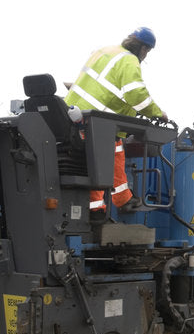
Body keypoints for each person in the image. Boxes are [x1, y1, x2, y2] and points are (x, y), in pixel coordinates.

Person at [65, 27, 166, 214]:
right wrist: (158, 113)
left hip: (74, 118)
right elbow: (137, 95)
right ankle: (123, 200)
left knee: (92, 165)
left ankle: (96, 210)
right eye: (147, 52)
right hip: (98, 123)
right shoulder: (129, 60)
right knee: (114, 151)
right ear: (143, 49)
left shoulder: (104, 51)